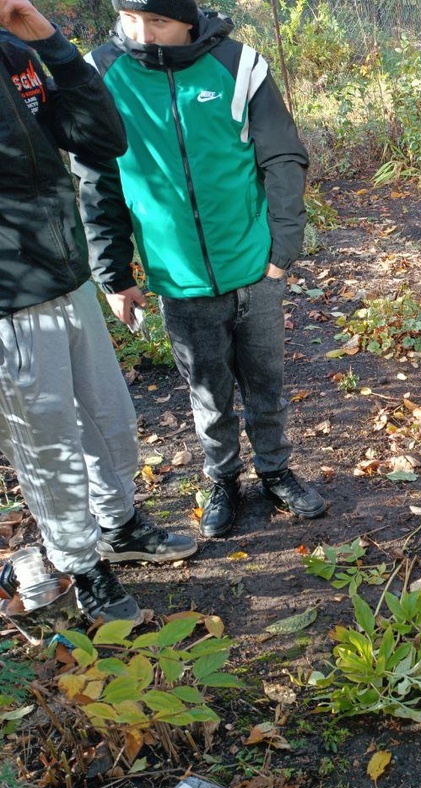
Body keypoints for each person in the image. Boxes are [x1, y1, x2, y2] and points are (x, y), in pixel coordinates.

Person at [71, 0, 326, 539]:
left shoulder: (239, 66)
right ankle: (224, 480)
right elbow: (98, 182)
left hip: (254, 268)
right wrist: (113, 275)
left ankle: (276, 471)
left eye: (159, 21)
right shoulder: (102, 74)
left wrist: (282, 250)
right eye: (131, 20)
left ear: (187, 18)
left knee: (266, 383)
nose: (144, 34)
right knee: (208, 392)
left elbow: (281, 156)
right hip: (178, 279)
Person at [1, 0, 196, 623]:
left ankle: (119, 524)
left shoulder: (17, 55)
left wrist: (53, 46)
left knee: (110, 415)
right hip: (12, 300)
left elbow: (101, 139)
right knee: (48, 443)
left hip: (68, 277)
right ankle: (82, 566)